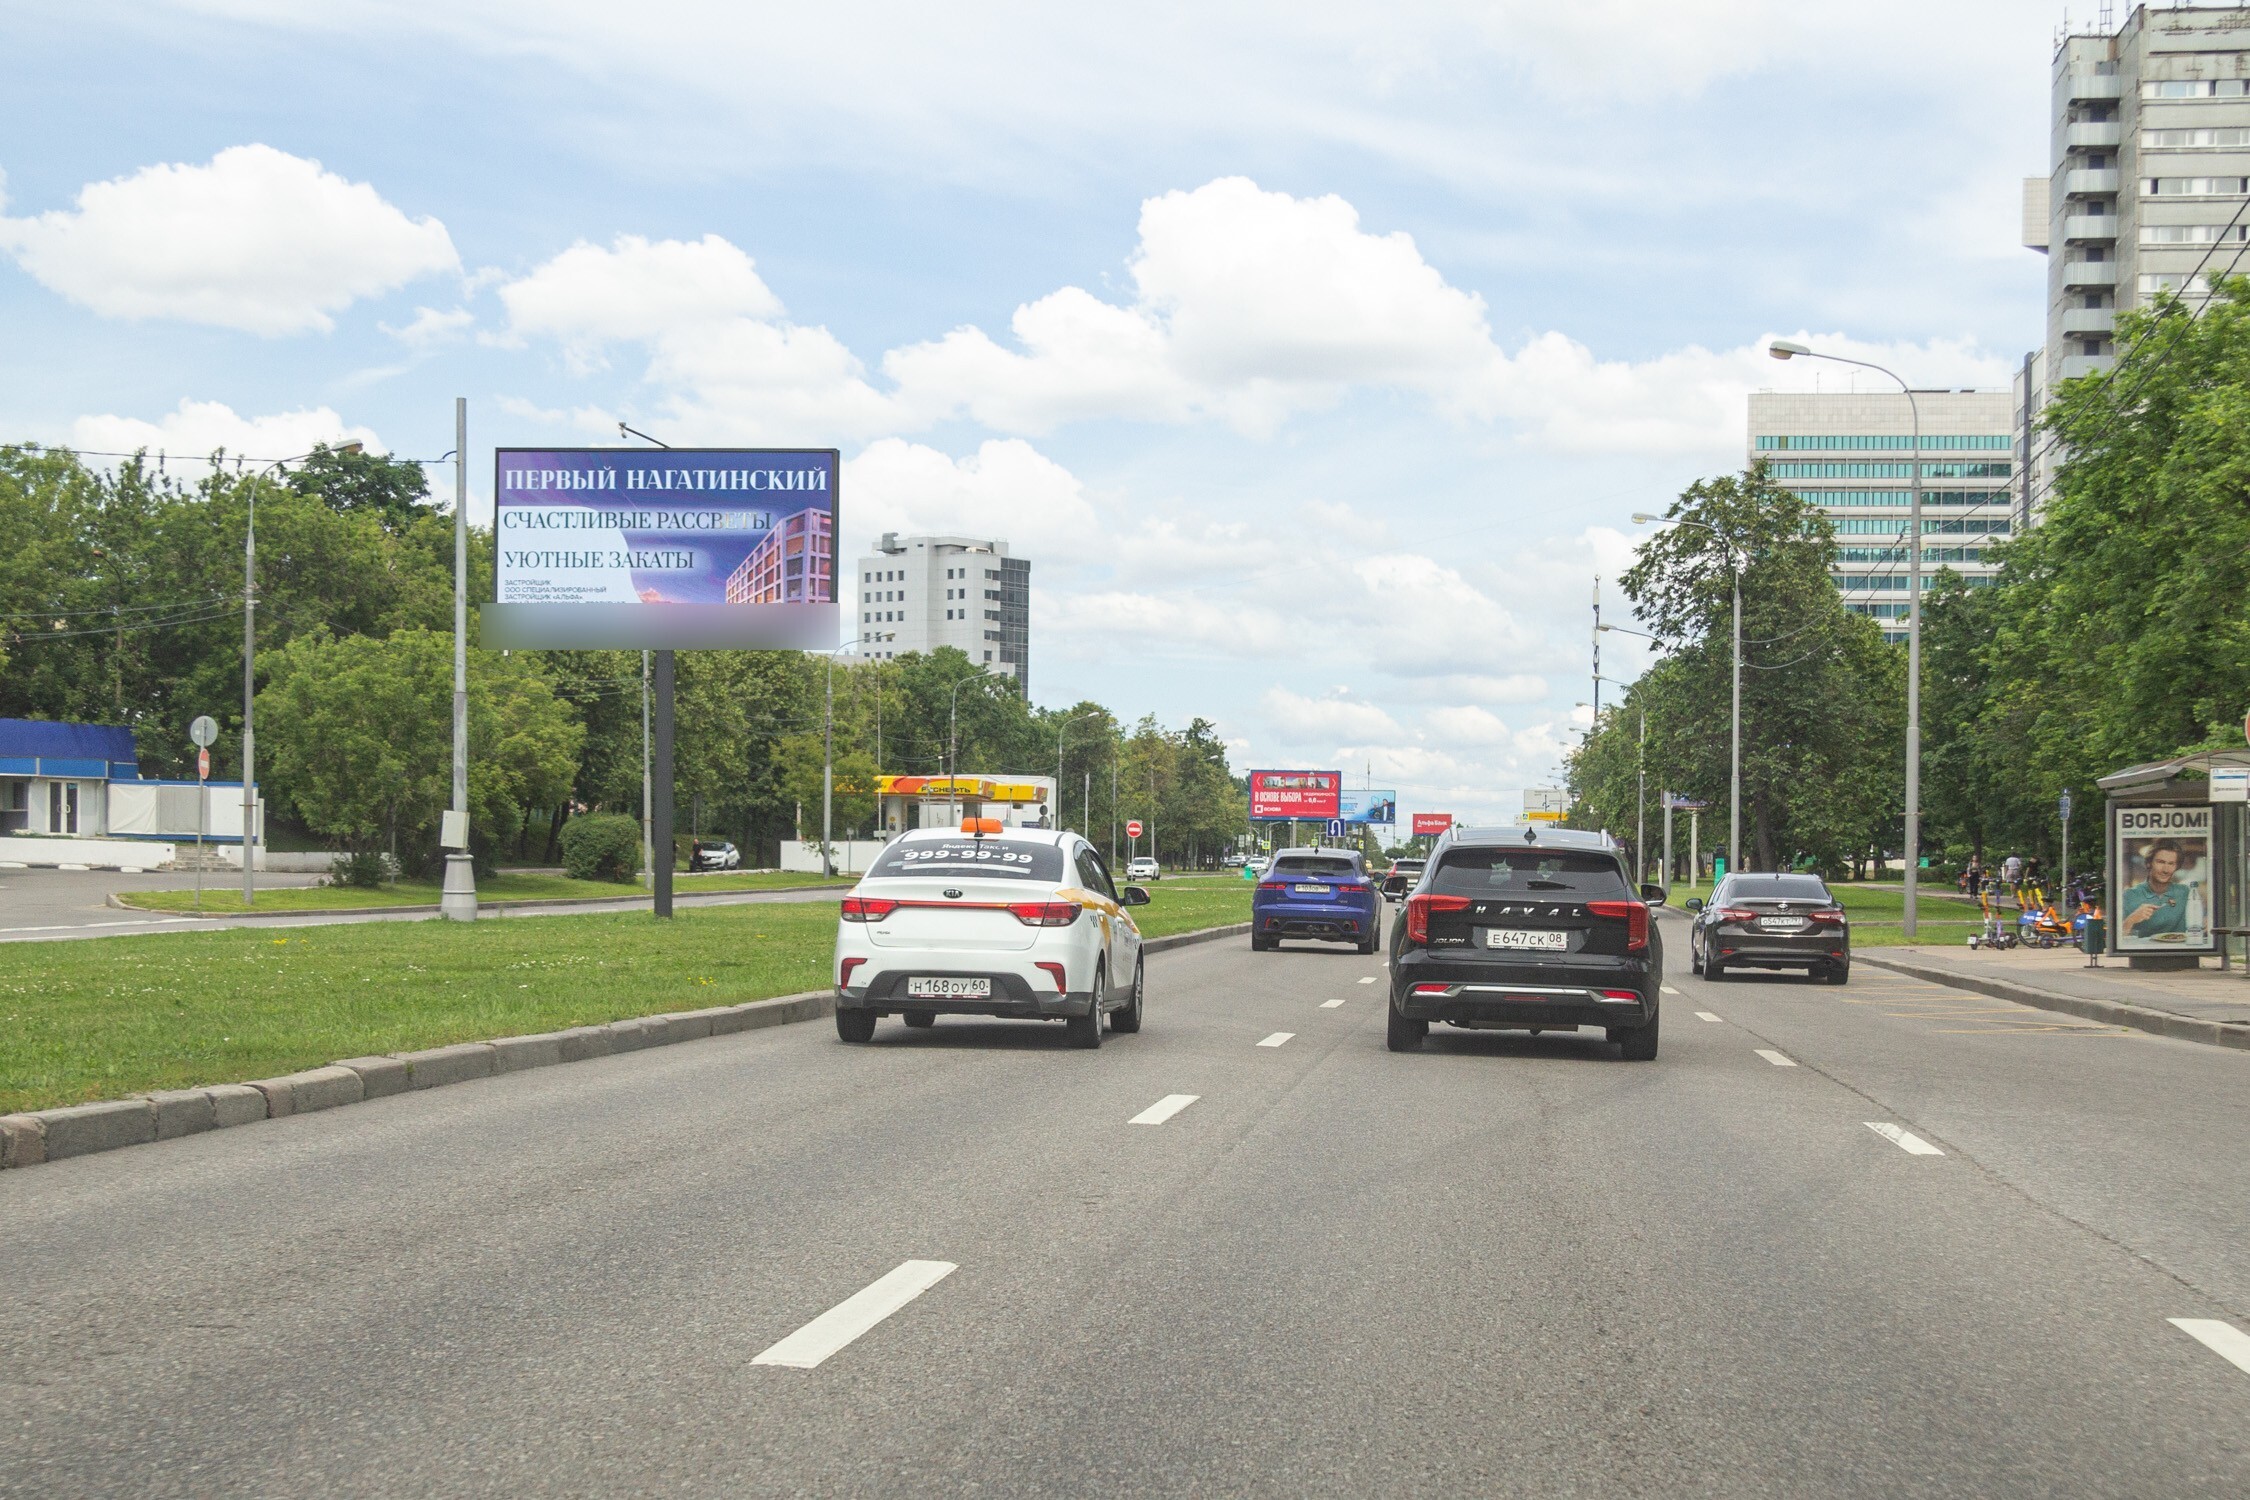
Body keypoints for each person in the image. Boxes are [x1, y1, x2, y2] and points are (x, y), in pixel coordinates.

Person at [2121, 839, 2190, 940]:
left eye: (2171, 864)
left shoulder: (2185, 892)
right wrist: (2131, 920)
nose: (2166, 870)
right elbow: (2117, 938)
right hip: (2144, 950)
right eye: (2160, 862)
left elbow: (2200, 923)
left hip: (2179, 949)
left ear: (2176, 867)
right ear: (2149, 863)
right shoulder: (2129, 895)